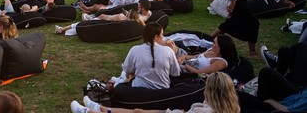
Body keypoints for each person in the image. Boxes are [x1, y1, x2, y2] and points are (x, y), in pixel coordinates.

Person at [71, 72, 240, 113]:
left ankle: (91, 111)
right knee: (138, 111)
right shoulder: (231, 108)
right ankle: (99, 109)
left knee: (137, 111)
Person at [120, 22, 180, 90]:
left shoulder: (135, 49)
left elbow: (127, 70)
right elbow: (175, 73)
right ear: (156, 37)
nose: (163, 38)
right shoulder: (168, 51)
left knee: (121, 86)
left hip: (138, 90)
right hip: (162, 90)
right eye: (162, 35)